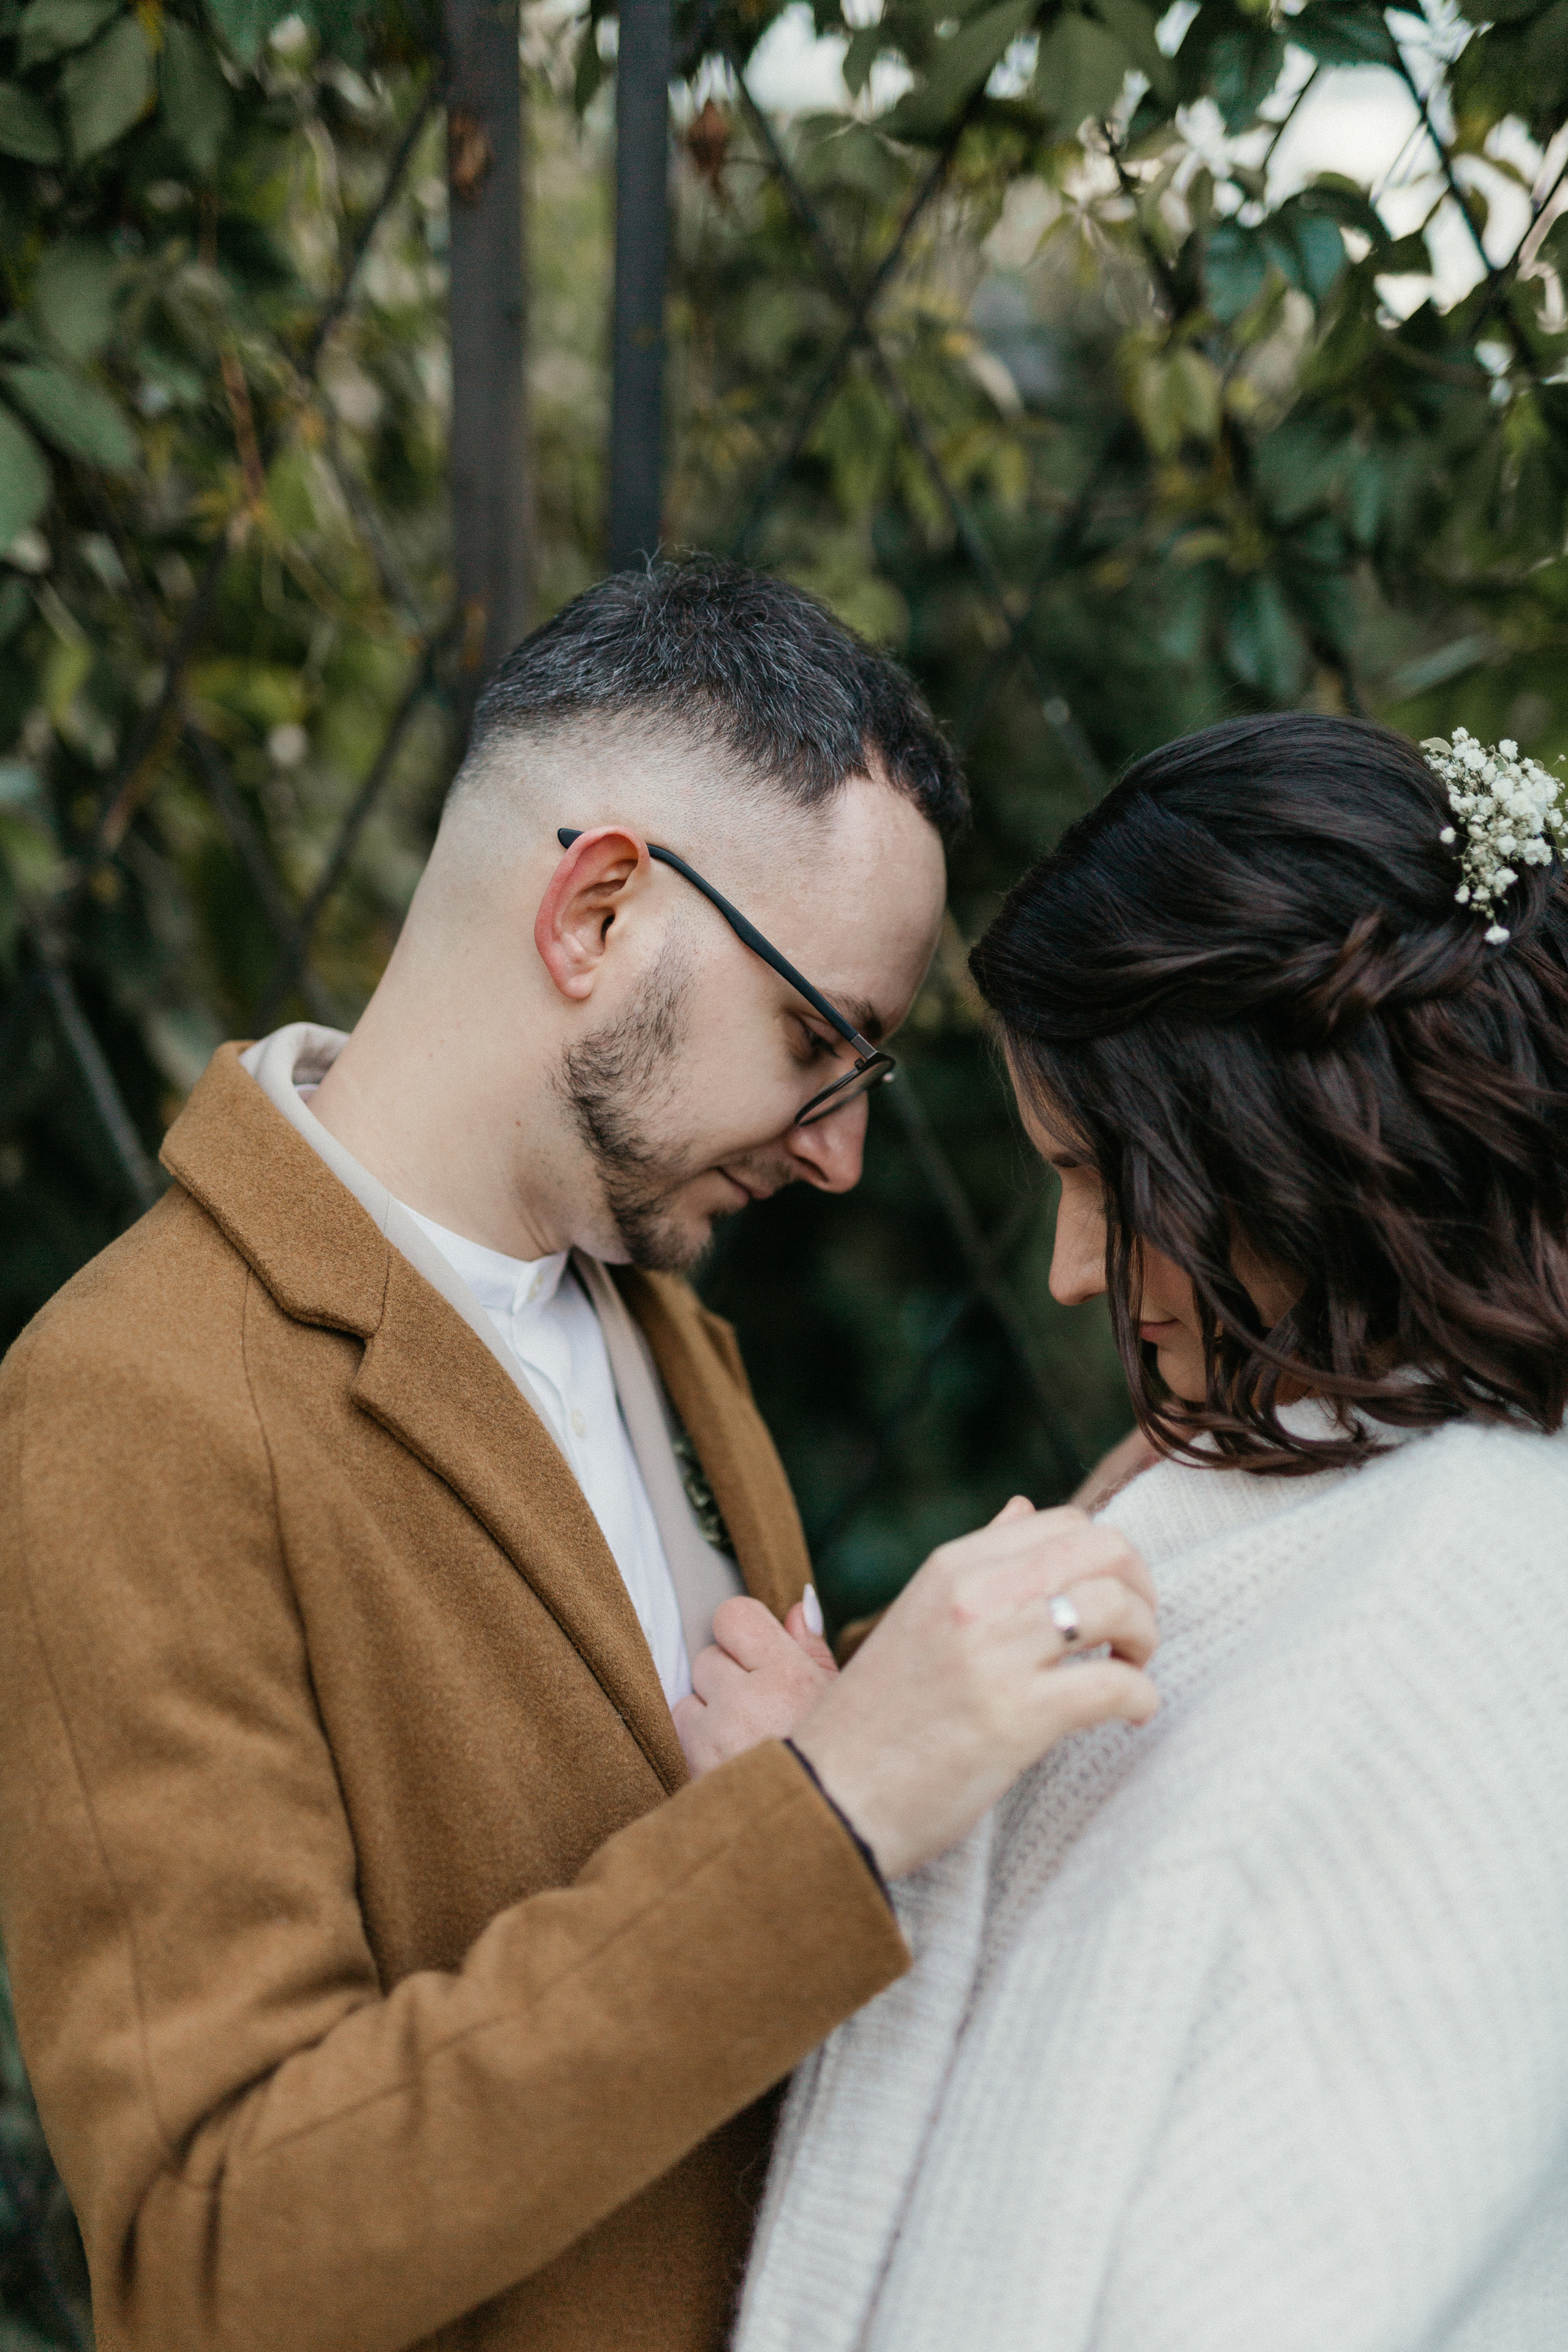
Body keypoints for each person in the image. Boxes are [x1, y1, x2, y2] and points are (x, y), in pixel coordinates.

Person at [0, 560, 1159, 2352]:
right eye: (816, 1045)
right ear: (600, 910)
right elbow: (215, 2256)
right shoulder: (135, 1402)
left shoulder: (672, 1334)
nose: (840, 1157)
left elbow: (705, 1822)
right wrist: (827, 1818)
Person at [733, 712, 1568, 2352]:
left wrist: (829, 1820)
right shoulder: (1267, 1503)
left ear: (1280, 1154)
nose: (1066, 1268)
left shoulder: (1457, 1604)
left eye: (1099, 1178)